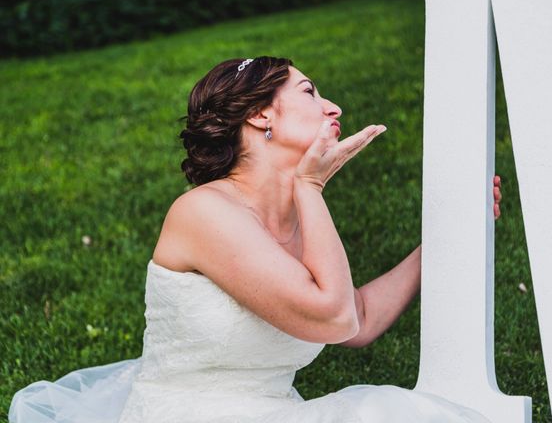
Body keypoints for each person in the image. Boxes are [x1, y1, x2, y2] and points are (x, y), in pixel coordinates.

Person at [9, 56, 503, 423]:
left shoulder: (290, 219)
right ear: (261, 116)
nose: (332, 105)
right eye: (310, 92)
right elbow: (334, 316)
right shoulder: (203, 212)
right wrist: (311, 186)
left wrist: (446, 237)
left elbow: (360, 319)